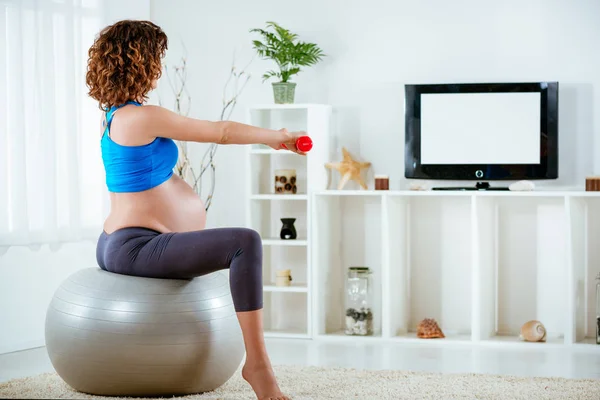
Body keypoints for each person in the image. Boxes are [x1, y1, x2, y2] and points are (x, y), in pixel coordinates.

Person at [86, 19, 304, 400]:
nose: (160, 68)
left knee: (239, 242)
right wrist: (275, 137)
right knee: (244, 242)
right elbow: (220, 132)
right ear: (140, 61)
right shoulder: (142, 117)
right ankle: (258, 366)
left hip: (120, 241)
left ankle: (258, 366)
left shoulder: (117, 116)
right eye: (157, 58)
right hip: (134, 245)